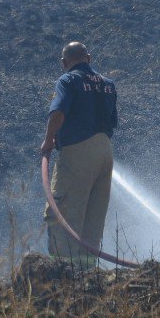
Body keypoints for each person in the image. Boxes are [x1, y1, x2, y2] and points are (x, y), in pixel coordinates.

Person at [40, 41, 118, 268]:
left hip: (78, 152)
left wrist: (48, 141)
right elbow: (112, 121)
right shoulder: (108, 84)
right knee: (93, 215)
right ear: (89, 58)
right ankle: (87, 275)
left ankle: (63, 274)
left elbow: (58, 112)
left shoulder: (68, 80)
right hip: (105, 153)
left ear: (64, 63)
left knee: (64, 213)